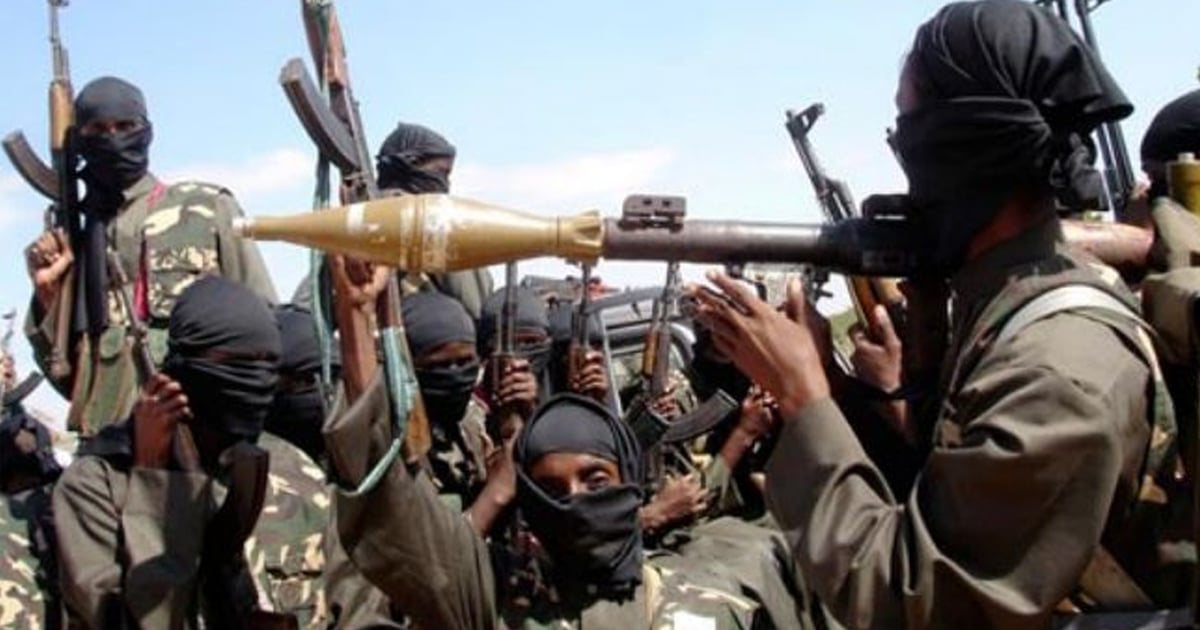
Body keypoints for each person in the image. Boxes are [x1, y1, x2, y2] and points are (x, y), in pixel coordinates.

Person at [690, 1, 1177, 627]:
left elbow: (911, 602)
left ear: (959, 140)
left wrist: (799, 393)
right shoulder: (1010, 304)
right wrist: (838, 387)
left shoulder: (1057, 367)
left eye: (907, 124)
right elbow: (941, 486)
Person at [326, 387, 794, 628]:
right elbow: (395, 515)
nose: (573, 500)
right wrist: (359, 319)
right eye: (550, 487)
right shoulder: (501, 603)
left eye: (595, 479)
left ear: (628, 482)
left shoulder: (720, 591)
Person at [23, 76, 277, 437]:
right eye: (98, 129)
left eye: (125, 126)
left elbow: (264, 322)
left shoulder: (205, 207)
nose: (113, 137)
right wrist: (50, 296)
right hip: (112, 445)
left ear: (147, 131)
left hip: (203, 432)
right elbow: (70, 379)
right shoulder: (79, 243)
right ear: (82, 141)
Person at [52, 276, 283, 627]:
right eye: (240, 362)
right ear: (185, 365)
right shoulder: (93, 486)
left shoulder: (265, 467)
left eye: (269, 363)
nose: (258, 378)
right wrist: (154, 477)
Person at [291, 121, 493, 320]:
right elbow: (476, 305)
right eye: (443, 173)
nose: (446, 183)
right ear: (411, 166)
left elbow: (306, 305)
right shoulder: (434, 220)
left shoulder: (358, 220)